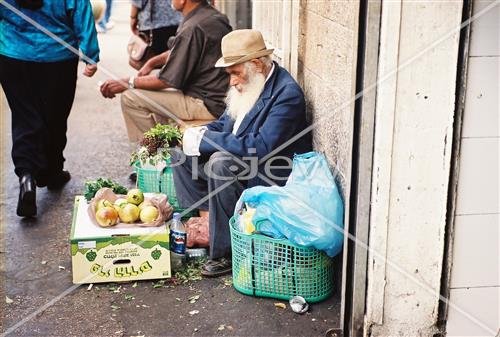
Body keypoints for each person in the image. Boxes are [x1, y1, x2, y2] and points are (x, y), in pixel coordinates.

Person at [171, 29, 313, 277]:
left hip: (271, 173)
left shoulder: (286, 94)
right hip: (245, 161)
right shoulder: (249, 85)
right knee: (179, 153)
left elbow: (261, 147)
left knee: (220, 163)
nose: (232, 81)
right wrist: (196, 133)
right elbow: (226, 125)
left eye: (235, 73)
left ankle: (224, 253)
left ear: (256, 65)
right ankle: (209, 222)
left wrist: (205, 140)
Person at [0, 0, 99, 217]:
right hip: (58, 58)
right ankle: (51, 171)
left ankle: (27, 176)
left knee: (25, 118)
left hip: (13, 55)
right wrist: (91, 54)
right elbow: (82, 14)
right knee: (55, 117)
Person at [100, 0, 232, 143]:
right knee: (150, 95)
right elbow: (181, 49)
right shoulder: (212, 16)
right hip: (217, 97)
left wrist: (128, 82)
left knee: (131, 97)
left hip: (206, 103)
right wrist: (152, 62)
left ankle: (155, 155)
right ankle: (165, 144)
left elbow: (167, 80)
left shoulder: (193, 27)